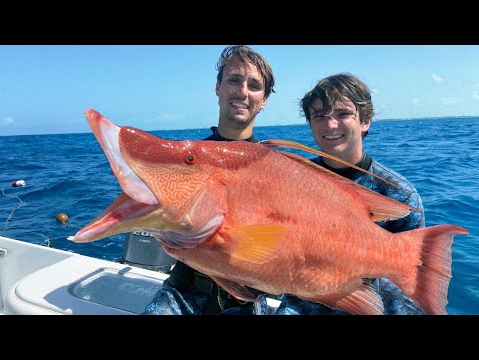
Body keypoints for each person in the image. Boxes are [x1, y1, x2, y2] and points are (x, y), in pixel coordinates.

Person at [275, 73, 425, 315]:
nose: (330, 124)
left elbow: (410, 284)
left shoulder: (398, 194)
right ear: (310, 124)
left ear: (365, 121)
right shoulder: (291, 181)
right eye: (320, 116)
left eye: (343, 114)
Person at [142, 45, 276, 315]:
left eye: (254, 85)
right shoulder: (186, 160)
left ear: (264, 100)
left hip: (247, 299)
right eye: (234, 80)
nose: (242, 92)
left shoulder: (275, 169)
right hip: (183, 292)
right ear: (218, 88)